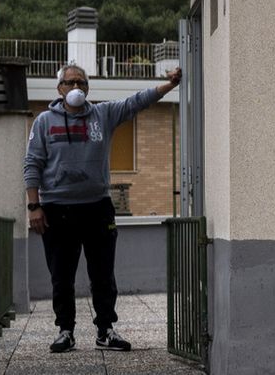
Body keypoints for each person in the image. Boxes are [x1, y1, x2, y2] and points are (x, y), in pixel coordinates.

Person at [24, 62, 182, 353]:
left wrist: (170, 85)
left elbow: (138, 101)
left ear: (88, 88)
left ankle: (105, 330)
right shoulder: (44, 122)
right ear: (59, 89)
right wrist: (34, 206)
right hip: (57, 208)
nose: (75, 88)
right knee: (61, 273)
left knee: (103, 273)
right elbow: (32, 164)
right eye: (69, 83)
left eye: (81, 83)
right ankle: (65, 331)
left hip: (97, 207)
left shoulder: (102, 115)